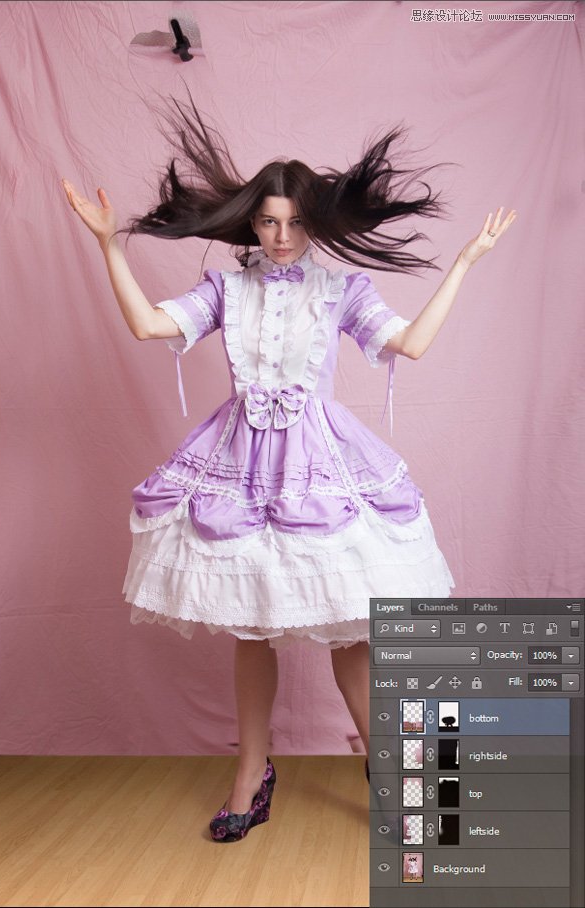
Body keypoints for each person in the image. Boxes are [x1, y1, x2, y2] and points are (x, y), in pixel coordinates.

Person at [61, 94, 516, 843]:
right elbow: (147, 325)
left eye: (296, 222)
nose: (281, 237)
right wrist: (109, 244)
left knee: (350, 631)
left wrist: (464, 263)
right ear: (252, 222)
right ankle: (251, 773)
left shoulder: (340, 289)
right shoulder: (226, 288)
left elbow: (411, 344)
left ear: (315, 224)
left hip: (320, 463)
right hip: (238, 461)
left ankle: (386, 769)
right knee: (251, 627)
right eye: (269, 221)